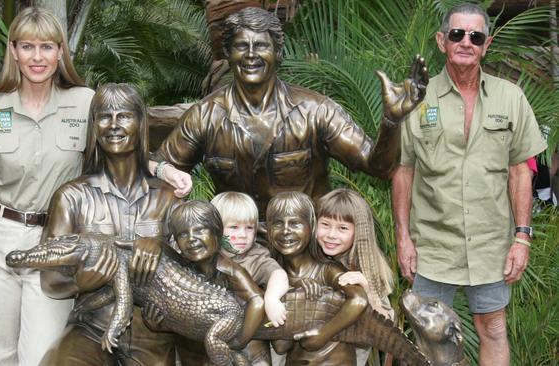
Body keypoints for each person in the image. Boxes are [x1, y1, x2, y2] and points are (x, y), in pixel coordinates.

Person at [153, 7, 428, 219]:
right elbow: (161, 170)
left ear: (278, 53)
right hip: (235, 247)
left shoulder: (316, 110)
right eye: (241, 46)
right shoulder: (205, 115)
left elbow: (377, 167)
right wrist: (153, 232)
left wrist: (392, 121)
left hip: (309, 250)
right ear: (228, 52)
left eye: (261, 45)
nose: (251, 55)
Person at [391, 4, 547, 365]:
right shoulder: (416, 99)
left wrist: (522, 237)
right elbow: (403, 170)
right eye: (457, 34)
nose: (466, 42)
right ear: (442, 41)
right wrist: (403, 237)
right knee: (426, 332)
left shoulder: (511, 98)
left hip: (491, 243)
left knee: (492, 327)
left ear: (486, 44)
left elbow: (521, 171)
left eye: (475, 36)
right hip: (433, 244)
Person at [0, 7, 94, 365]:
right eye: (28, 46)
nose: (37, 57)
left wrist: (165, 169)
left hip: (55, 243)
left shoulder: (85, 103)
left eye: (46, 47)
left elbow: (122, 144)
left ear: (60, 52)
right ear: (13, 51)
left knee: (43, 356)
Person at [37, 83, 181, 365]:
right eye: (105, 116)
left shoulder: (166, 198)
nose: (113, 125)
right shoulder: (72, 196)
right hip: (90, 329)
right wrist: (80, 281)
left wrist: (162, 248)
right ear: (94, 126)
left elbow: (197, 267)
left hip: (152, 334)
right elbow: (49, 280)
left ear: (141, 124)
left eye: (124, 116)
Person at [266, 192, 369, 366]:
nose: (285, 231)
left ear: (311, 226)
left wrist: (323, 335)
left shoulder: (327, 269)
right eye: (277, 223)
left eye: (295, 223)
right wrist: (292, 292)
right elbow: (281, 346)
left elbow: (358, 299)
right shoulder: (270, 274)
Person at [163, 200, 266, 365]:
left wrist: (239, 341)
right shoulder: (179, 271)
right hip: (193, 350)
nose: (191, 239)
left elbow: (257, 301)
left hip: (232, 345)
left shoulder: (230, 270)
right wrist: (158, 323)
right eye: (183, 234)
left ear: (217, 233)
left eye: (199, 230)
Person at [314, 188, 394, 365]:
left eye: (342, 228)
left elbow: (386, 329)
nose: (331, 235)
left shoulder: (369, 267)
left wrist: (368, 290)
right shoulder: (309, 258)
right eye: (325, 224)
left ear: (358, 232)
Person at [211, 191, 290, 365]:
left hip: (249, 339)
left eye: (249, 227)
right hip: (209, 338)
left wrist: (272, 298)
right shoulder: (205, 255)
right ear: (215, 228)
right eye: (234, 227)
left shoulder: (256, 256)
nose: (243, 235)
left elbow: (278, 274)